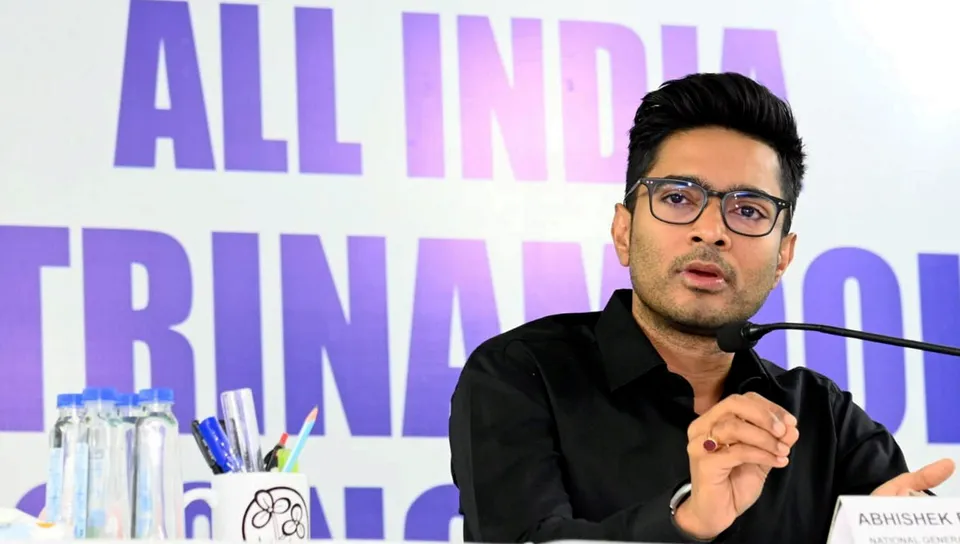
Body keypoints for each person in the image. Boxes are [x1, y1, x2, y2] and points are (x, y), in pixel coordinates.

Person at [447, 72, 956, 543]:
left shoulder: (822, 419)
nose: (711, 231)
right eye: (677, 198)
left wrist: (911, 533)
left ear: (783, 257)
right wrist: (688, 520)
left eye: (748, 210)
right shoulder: (522, 375)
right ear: (623, 231)